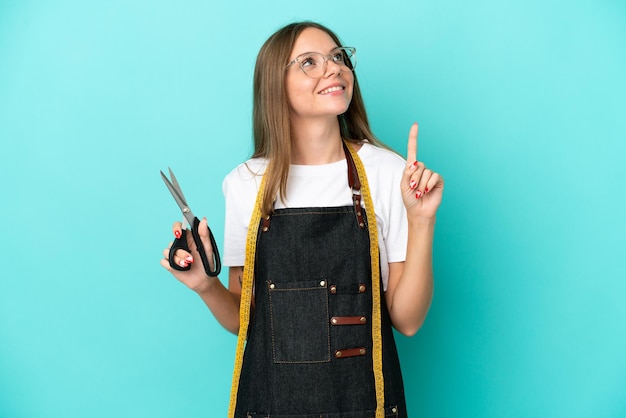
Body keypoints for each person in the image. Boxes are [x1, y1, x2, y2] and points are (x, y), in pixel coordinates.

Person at [161, 21, 444, 418]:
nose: (334, 68)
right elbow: (248, 322)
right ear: (275, 85)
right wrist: (206, 287)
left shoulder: (386, 172)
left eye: (338, 57)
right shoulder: (246, 183)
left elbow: (408, 321)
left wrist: (422, 221)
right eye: (309, 62)